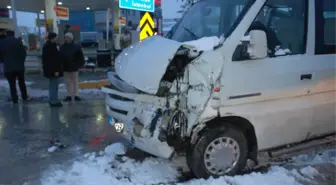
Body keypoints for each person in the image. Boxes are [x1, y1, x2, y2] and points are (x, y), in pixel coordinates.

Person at [0, 30, 29, 104]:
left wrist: (4, 61)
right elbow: (23, 53)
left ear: (7, 34)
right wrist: (21, 62)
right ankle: (24, 96)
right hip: (19, 67)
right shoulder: (18, 41)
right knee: (21, 82)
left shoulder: (2, 42)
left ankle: (15, 99)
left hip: (8, 67)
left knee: (12, 84)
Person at [59, 32, 84, 102]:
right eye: (65, 37)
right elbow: (60, 57)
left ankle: (76, 95)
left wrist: (79, 65)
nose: (66, 39)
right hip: (66, 68)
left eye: (67, 37)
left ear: (71, 38)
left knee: (75, 82)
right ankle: (69, 95)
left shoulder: (76, 47)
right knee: (67, 82)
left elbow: (80, 57)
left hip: (74, 68)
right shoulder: (62, 47)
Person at [42, 32, 63, 107]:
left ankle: (52, 100)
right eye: (56, 37)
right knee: (54, 85)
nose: (57, 39)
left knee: (52, 85)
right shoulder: (51, 46)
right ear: (52, 38)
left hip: (49, 69)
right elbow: (54, 60)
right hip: (53, 70)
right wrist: (56, 70)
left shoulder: (47, 45)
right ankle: (54, 101)